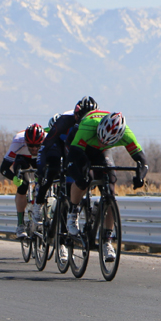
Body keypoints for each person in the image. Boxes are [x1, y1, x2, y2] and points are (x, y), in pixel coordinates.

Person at [65, 110, 149, 263]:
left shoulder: (126, 134)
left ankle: (107, 240)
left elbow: (142, 160)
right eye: (102, 139)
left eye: (107, 141)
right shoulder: (88, 126)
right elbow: (72, 157)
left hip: (102, 153)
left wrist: (140, 177)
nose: (102, 142)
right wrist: (78, 175)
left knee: (111, 187)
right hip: (81, 147)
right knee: (85, 178)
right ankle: (73, 212)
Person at [34, 96, 97, 225]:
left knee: (79, 180)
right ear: (76, 115)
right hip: (59, 143)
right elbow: (44, 147)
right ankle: (38, 204)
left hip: (76, 146)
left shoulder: (94, 123)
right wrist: (41, 171)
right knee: (52, 171)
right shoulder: (64, 121)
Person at [0, 123, 45, 238]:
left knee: (43, 180)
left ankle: (39, 208)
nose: (34, 149)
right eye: (30, 146)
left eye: (37, 146)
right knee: (23, 185)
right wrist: (14, 178)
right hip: (22, 159)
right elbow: (3, 168)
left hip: (40, 159)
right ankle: (20, 224)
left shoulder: (48, 140)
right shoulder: (18, 142)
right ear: (25, 141)